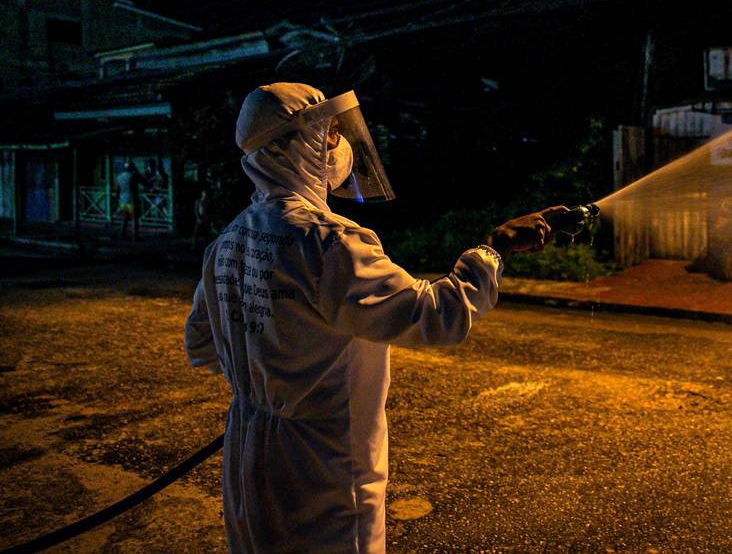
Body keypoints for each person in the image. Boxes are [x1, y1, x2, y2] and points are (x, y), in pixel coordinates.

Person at [184, 82, 563, 553]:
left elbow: (202, 346)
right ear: (303, 144)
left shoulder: (229, 241)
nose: (339, 149)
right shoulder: (329, 242)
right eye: (331, 136)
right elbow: (436, 315)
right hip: (323, 466)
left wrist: (269, 384)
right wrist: (495, 247)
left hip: (248, 455)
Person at [115, 160, 143, 241]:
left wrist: (117, 200)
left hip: (122, 200)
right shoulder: (134, 175)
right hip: (132, 199)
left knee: (124, 218)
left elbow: (118, 189)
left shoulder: (119, 176)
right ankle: (135, 236)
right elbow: (144, 182)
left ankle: (122, 235)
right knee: (134, 219)